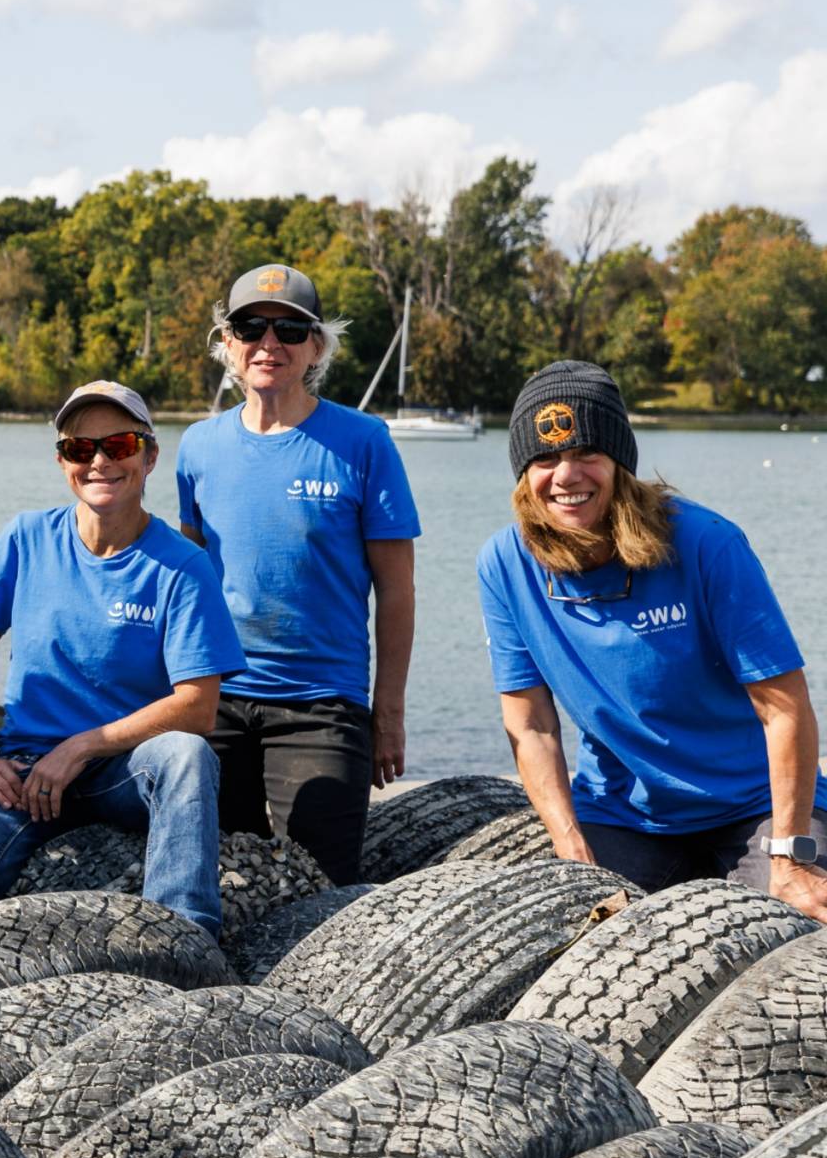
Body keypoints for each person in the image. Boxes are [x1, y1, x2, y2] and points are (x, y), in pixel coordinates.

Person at [479, 361, 826, 917]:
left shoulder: (707, 542)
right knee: (571, 933)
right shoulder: (504, 563)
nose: (566, 476)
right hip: (624, 815)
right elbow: (532, 724)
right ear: (524, 474)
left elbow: (785, 709)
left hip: (754, 807)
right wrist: (571, 848)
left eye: (586, 452)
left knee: (789, 924)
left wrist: (790, 858)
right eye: (545, 458)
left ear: (619, 463)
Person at [0, 381, 242, 936]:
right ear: (62, 462)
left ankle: (185, 934)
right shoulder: (26, 538)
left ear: (149, 457)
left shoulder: (184, 565)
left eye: (119, 445)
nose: (100, 461)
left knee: (188, 756)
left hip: (124, 769)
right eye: (81, 449)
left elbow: (197, 707)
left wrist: (83, 746)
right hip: (26, 772)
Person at [174, 263, 417, 885]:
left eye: (289, 329)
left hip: (322, 705)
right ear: (227, 342)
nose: (269, 344)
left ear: (316, 346)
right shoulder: (198, 447)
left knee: (319, 891)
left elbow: (396, 589)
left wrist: (385, 711)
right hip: (217, 701)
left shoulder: (363, 441)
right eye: (250, 327)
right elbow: (187, 584)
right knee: (224, 882)